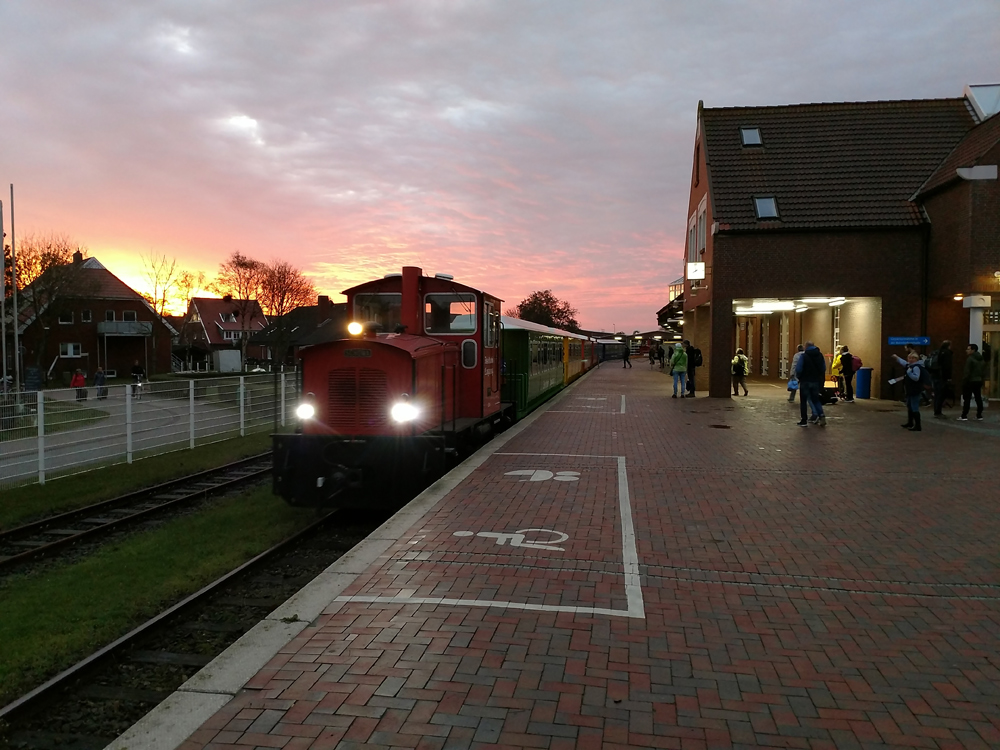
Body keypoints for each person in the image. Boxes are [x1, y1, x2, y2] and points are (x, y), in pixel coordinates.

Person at [892, 350, 930, 431]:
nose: (911, 359)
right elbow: (903, 363)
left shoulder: (916, 367)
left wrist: (909, 373)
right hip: (910, 390)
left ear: (916, 359)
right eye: (909, 358)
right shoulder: (910, 366)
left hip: (915, 390)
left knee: (914, 407)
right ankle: (910, 422)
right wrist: (896, 357)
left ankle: (918, 425)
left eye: (913, 358)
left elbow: (916, 378)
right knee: (909, 406)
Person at [796, 341, 826, 427]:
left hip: (805, 380)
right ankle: (821, 415)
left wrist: (799, 377)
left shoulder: (804, 356)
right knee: (815, 399)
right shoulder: (820, 355)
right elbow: (823, 368)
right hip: (815, 380)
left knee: (804, 401)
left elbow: (799, 369)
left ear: (806, 346)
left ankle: (804, 420)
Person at [957, 343, 985, 421]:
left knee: (967, 399)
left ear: (973, 350)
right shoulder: (981, 359)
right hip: (978, 380)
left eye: (968, 349)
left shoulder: (970, 359)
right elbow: (983, 371)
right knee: (978, 397)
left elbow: (967, 372)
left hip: (970, 381)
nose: (967, 351)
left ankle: (964, 415)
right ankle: (979, 415)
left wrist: (964, 381)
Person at [929, 340, 953, 417]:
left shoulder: (938, 352)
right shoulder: (947, 353)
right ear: (949, 346)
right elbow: (947, 366)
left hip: (934, 375)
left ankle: (936, 410)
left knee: (937, 394)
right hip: (942, 377)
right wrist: (948, 378)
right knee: (941, 394)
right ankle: (938, 412)